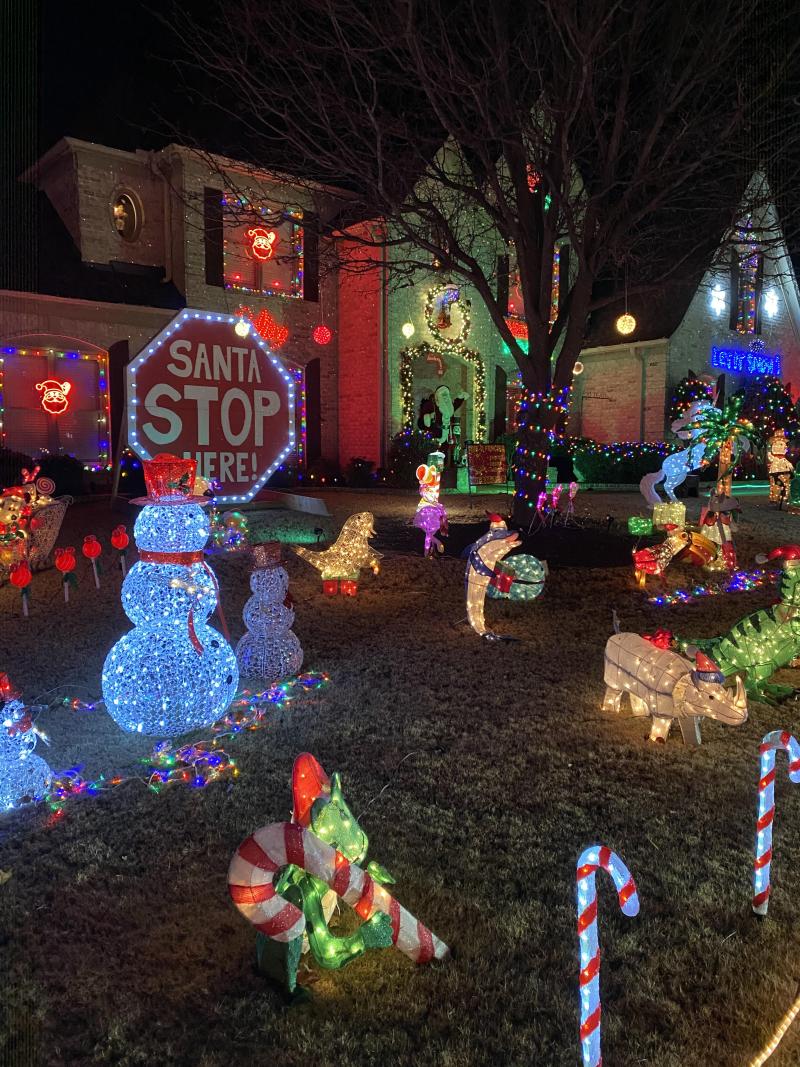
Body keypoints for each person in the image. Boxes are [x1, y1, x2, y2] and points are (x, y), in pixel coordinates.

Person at [417, 385, 466, 466]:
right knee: (433, 458)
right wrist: (428, 417)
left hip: (446, 436)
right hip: (434, 436)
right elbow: (420, 423)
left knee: (444, 456)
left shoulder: (449, 406)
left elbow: (455, 404)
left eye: (447, 395)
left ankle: (443, 473)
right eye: (443, 395)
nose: (446, 397)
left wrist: (461, 397)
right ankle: (433, 474)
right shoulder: (430, 405)